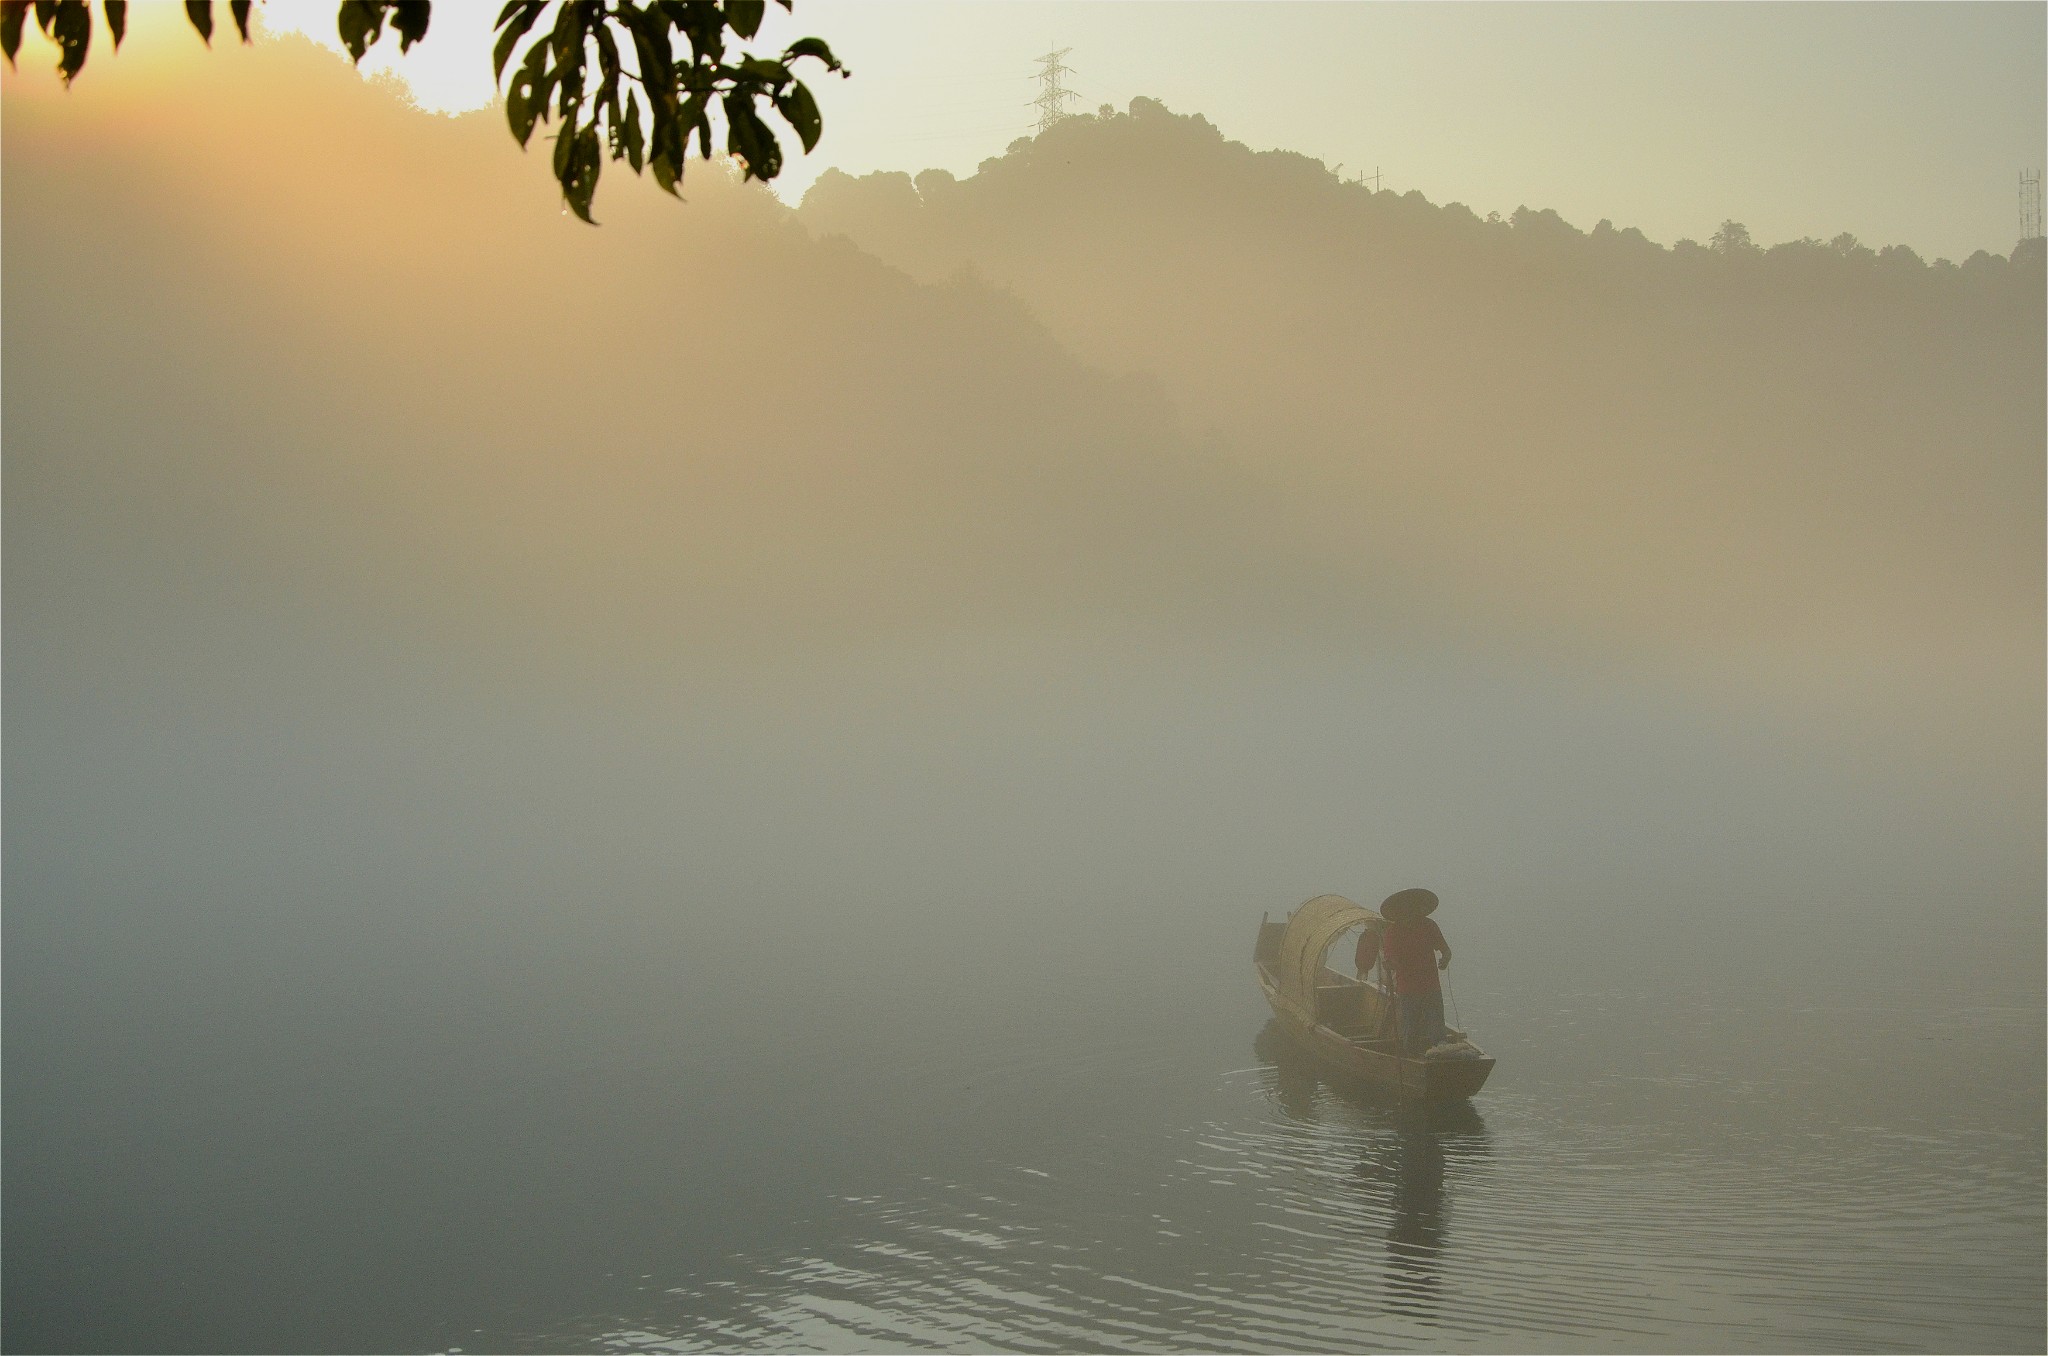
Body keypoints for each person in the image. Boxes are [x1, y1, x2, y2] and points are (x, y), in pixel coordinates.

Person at [1354, 887, 1452, 1056]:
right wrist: (1391, 964)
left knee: (1437, 1030)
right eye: (1405, 909)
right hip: (1409, 989)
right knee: (1410, 1031)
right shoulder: (1393, 932)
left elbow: (1446, 950)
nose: (1409, 912)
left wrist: (1445, 959)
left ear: (1417, 908)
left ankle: (1440, 1057)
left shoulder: (1429, 926)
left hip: (1431, 986)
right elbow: (1391, 958)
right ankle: (1412, 1058)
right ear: (1399, 912)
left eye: (1411, 908)